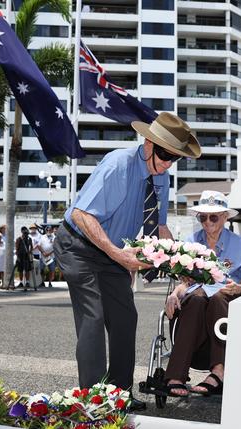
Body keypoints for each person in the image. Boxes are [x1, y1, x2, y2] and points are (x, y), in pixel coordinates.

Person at [54, 112, 202, 411]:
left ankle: (119, 394)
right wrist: (117, 253)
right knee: (93, 319)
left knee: (125, 318)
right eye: (164, 154)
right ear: (148, 143)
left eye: (175, 159)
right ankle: (95, 400)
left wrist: (181, 263)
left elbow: (159, 228)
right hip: (79, 245)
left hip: (112, 251)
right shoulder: (118, 165)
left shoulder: (161, 176)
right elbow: (83, 215)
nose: (167, 163)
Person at [161, 191, 241, 397]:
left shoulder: (239, 244)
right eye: (202, 217)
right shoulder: (190, 241)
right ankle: (176, 374)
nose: (207, 222)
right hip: (197, 298)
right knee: (194, 298)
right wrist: (174, 294)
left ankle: (218, 372)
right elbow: (184, 282)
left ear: (225, 217)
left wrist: (238, 288)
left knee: (219, 297)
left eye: (213, 217)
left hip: (226, 299)